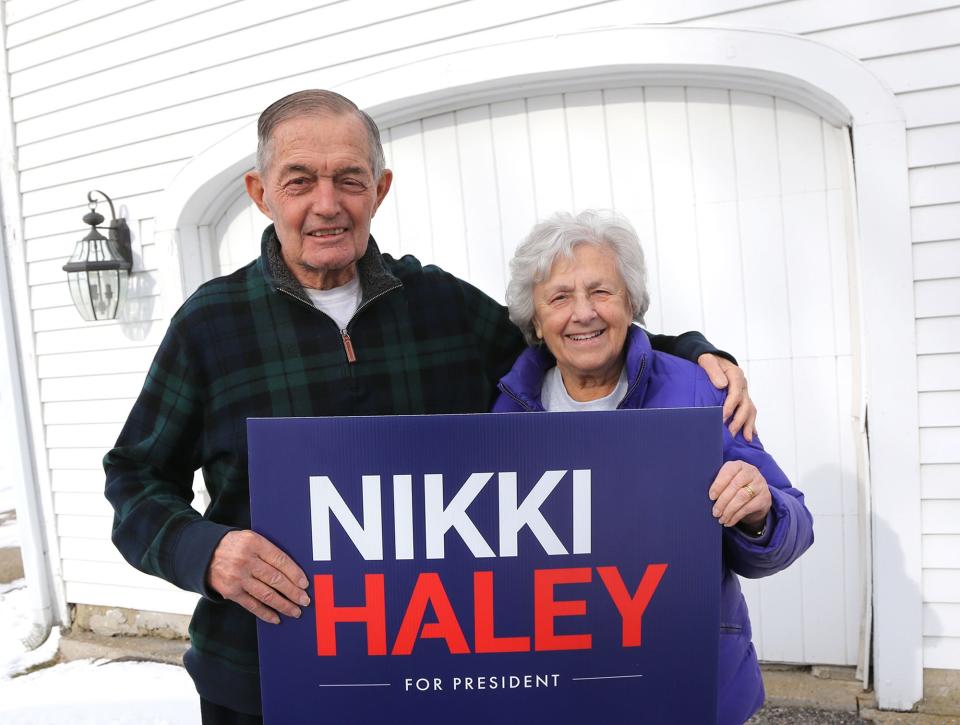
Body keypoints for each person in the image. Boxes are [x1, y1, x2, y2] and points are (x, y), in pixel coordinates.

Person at [104, 90, 758, 723]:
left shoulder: (443, 308)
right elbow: (135, 482)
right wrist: (206, 551)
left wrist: (693, 353)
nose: (327, 204)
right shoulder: (210, 326)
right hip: (265, 673)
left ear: (379, 189)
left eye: (349, 180)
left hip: (434, 667)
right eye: (300, 181)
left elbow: (572, 344)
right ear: (260, 192)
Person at [492, 210, 814, 725]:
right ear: (534, 318)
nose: (583, 314)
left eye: (602, 292)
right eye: (559, 298)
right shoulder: (504, 412)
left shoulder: (698, 392)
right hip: (560, 687)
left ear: (631, 304)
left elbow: (787, 532)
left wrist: (760, 512)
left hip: (686, 682)